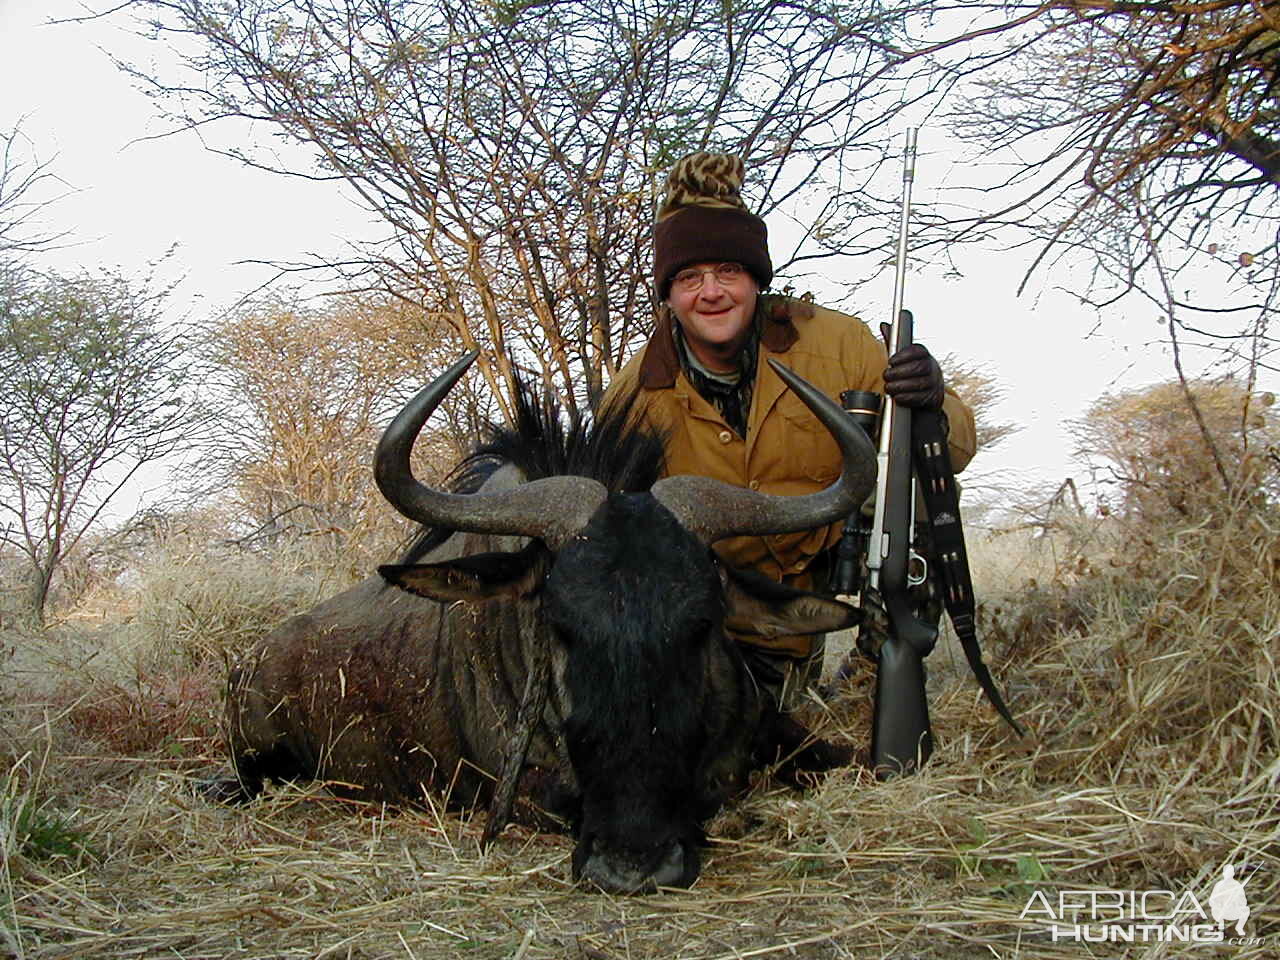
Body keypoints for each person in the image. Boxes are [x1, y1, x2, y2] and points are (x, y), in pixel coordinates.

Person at [603, 152, 976, 710]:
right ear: (669, 294)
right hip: (710, 608)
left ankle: (877, 671)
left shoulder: (839, 343)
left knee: (912, 490)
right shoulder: (632, 394)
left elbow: (956, 451)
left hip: (819, 575)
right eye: (689, 277)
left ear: (756, 278)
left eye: (729, 271)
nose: (711, 292)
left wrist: (930, 400)